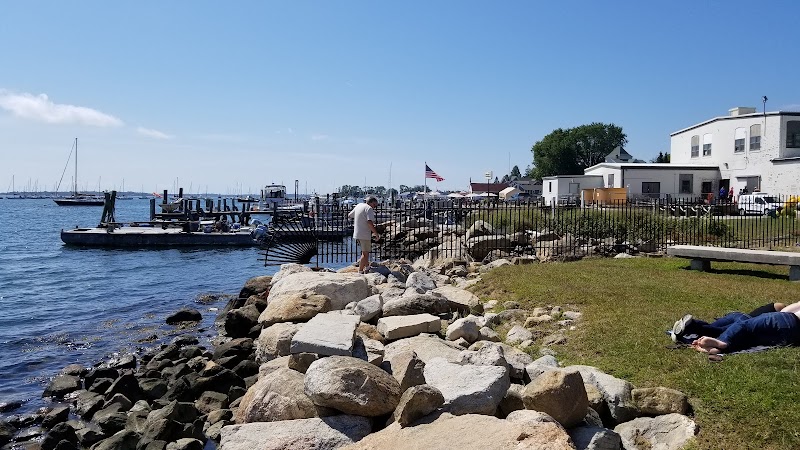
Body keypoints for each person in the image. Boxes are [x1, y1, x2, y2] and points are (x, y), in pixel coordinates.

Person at [672, 302, 787, 343]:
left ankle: (691, 325)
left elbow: (778, 305)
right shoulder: (782, 319)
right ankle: (692, 326)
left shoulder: (774, 308)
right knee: (719, 332)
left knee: (711, 327)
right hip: (745, 320)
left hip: (734, 315)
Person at [348, 196, 380, 274]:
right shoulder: (369, 208)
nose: (374, 207)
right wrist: (376, 234)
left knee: (364, 251)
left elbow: (349, 215)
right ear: (371, 203)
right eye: (374, 205)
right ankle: (360, 271)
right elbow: (369, 222)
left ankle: (367, 267)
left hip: (357, 233)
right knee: (365, 254)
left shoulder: (359, 205)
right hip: (364, 234)